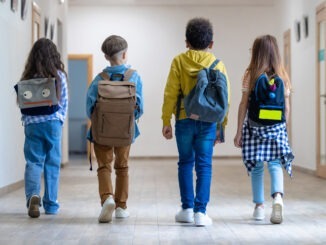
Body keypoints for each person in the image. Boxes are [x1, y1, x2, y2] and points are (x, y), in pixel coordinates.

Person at [161, 18, 231, 226]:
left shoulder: (179, 61)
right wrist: (222, 126)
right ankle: (201, 212)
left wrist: (166, 120)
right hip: (209, 122)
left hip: (184, 120)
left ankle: (187, 209)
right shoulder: (218, 64)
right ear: (211, 44)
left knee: (185, 162)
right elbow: (225, 99)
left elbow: (170, 93)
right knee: (204, 165)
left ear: (186, 42)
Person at [233, 35, 294, 224]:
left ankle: (259, 207)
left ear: (256, 52)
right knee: (275, 164)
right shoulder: (283, 74)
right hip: (276, 127)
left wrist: (238, 131)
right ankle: (277, 198)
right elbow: (287, 106)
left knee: (258, 167)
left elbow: (244, 104)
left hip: (254, 127)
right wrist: (284, 130)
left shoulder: (250, 74)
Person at [86, 35, 144, 223]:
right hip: (125, 132)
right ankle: (121, 207)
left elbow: (89, 107)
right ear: (125, 54)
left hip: (101, 132)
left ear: (105, 57)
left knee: (104, 166)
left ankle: (107, 199)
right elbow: (139, 107)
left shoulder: (98, 79)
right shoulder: (134, 77)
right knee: (123, 166)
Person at [18, 38, 68, 218]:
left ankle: (32, 195)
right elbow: (64, 104)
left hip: (32, 124)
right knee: (52, 164)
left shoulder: (27, 77)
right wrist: (59, 120)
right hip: (52, 123)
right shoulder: (58, 76)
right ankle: (51, 205)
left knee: (33, 162)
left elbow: (22, 102)